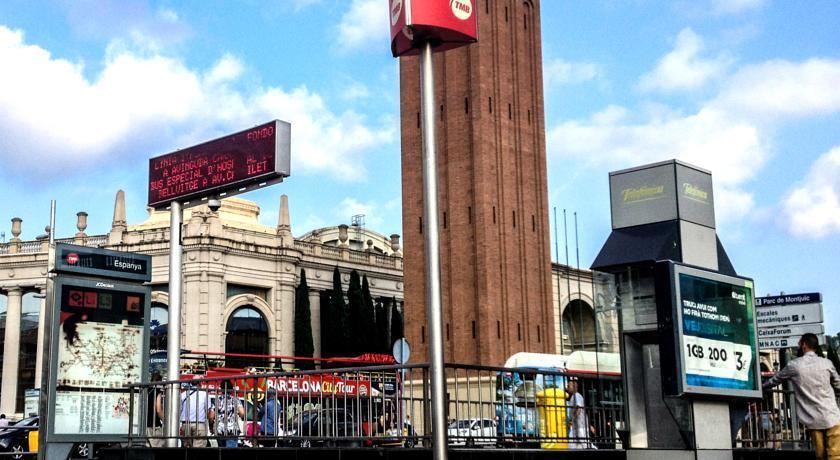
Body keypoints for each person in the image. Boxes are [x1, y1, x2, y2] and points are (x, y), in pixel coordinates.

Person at [763, 333, 840, 460]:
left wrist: (760, 388)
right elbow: (838, 384)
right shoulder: (827, 363)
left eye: (799, 344)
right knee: (836, 455)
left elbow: (774, 380)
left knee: (821, 456)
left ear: (804, 345)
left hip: (813, 419)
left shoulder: (794, 365)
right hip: (832, 416)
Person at [180, 383, 214, 447]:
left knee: (186, 448)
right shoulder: (204, 394)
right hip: (199, 424)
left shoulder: (183, 394)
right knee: (199, 449)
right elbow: (209, 412)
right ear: (200, 384)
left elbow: (180, 410)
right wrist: (210, 425)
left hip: (185, 424)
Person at [213, 384, 245, 449]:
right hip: (232, 430)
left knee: (221, 451)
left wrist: (211, 425)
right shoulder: (235, 400)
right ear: (231, 389)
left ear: (221, 389)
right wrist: (238, 415)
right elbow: (242, 413)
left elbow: (211, 415)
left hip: (220, 429)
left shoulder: (217, 400)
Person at [566, 380, 589, 449]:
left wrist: (572, 420)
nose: (567, 388)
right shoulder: (574, 396)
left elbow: (579, 408)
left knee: (584, 444)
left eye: (568, 386)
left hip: (579, 425)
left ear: (574, 387)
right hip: (577, 425)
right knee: (576, 445)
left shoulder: (576, 396)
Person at [146, 373, 166, 447]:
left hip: (146, 424)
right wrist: (164, 419)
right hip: (154, 425)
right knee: (158, 446)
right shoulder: (157, 392)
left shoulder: (146, 391)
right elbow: (158, 409)